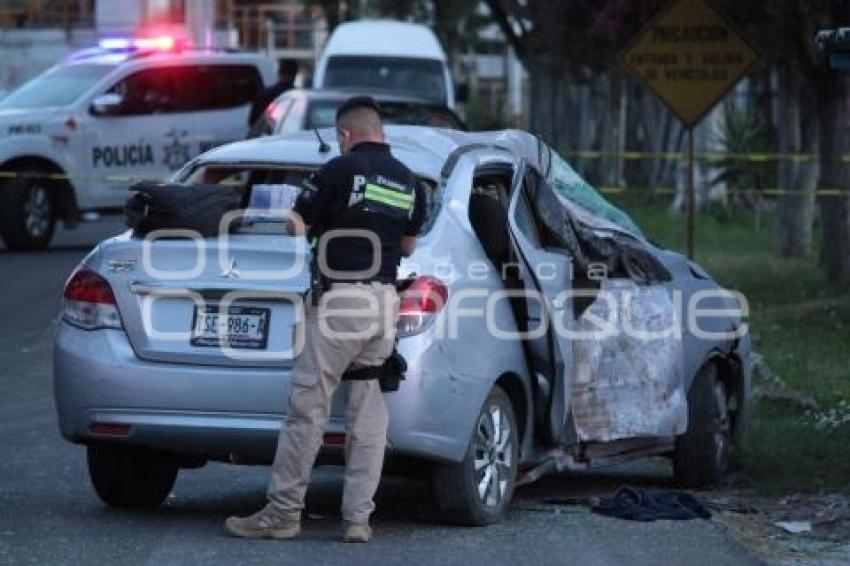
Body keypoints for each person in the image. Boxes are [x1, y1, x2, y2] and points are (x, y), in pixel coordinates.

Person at [225, 96, 427, 543]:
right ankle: (357, 520)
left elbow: (297, 224)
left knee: (307, 410)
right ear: (382, 132)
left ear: (344, 136)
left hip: (339, 304)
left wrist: (298, 220)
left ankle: (282, 513)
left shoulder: (337, 170)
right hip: (381, 304)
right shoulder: (410, 181)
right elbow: (409, 246)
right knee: (369, 415)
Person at [248, 59, 298, 127]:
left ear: (279, 73)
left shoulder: (263, 95)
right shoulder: (299, 98)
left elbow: (253, 123)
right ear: (295, 75)